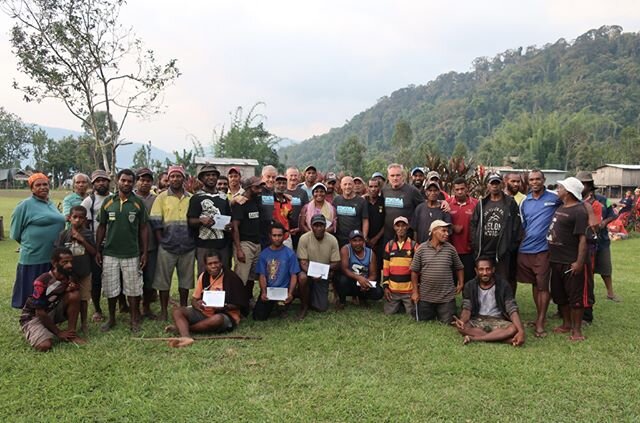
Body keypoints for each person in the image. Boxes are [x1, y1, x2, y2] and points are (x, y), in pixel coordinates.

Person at [96, 169, 148, 332]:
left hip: (131, 253)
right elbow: (102, 227)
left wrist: (144, 252)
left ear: (133, 183)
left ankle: (134, 320)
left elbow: (144, 229)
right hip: (110, 253)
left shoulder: (138, 203)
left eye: (129, 181)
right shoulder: (108, 202)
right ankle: (112, 318)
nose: (126, 183)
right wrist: (98, 250)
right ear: (117, 181)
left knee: (133, 289)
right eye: (123, 180)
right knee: (111, 288)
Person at [167, 251, 249, 347]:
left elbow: (240, 303)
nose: (213, 266)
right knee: (177, 311)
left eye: (216, 263)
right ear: (205, 265)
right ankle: (186, 337)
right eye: (210, 264)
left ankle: (184, 328)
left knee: (217, 319)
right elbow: (194, 299)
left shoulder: (232, 278)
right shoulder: (204, 276)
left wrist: (223, 307)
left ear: (221, 263)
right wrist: (197, 305)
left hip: (225, 314)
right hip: (205, 312)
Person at [10, 173, 66, 308]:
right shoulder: (24, 205)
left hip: (52, 257)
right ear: (32, 188)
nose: (42, 187)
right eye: (38, 185)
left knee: (49, 293)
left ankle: (47, 318)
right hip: (34, 257)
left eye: (45, 184)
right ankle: (29, 320)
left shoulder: (51, 204)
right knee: (33, 294)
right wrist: (31, 245)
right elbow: (15, 233)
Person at [517, 170, 562, 337]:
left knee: (543, 285)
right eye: (532, 179)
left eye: (538, 179)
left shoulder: (554, 198)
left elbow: (576, 203)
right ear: (528, 182)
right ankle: (538, 316)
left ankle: (541, 322)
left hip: (543, 250)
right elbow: (523, 225)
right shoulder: (524, 202)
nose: (535, 182)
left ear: (544, 180)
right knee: (535, 284)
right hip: (525, 250)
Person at [547, 177, 591, 342]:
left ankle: (577, 330)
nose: (558, 190)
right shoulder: (562, 206)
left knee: (575, 297)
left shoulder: (579, 211)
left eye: (560, 187)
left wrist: (579, 262)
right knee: (560, 295)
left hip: (570, 261)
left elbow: (583, 239)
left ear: (568, 191)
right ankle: (566, 324)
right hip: (556, 260)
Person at [150, 165, 195, 321]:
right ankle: (163, 311)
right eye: (172, 177)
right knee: (163, 281)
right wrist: (161, 241)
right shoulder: (161, 197)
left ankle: (183, 309)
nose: (175, 179)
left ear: (183, 178)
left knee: (185, 281)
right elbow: (155, 221)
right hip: (167, 247)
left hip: (188, 246)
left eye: (178, 176)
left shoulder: (191, 197)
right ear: (168, 179)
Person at [19, 248, 86, 351]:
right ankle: (32, 330)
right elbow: (39, 312)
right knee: (44, 346)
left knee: (74, 295)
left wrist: (70, 288)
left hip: (51, 310)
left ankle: (72, 334)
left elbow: (63, 293)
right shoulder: (42, 281)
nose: (70, 265)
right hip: (34, 316)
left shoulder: (69, 275)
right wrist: (58, 333)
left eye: (71, 261)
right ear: (54, 263)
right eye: (65, 262)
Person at [454, 258, 525, 346]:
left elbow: (512, 309)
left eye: (488, 269)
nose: (485, 273)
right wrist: (462, 320)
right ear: (476, 271)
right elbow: (467, 308)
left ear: (493, 270)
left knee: (514, 328)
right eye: (481, 269)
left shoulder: (504, 285)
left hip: (498, 319)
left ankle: (475, 339)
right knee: (462, 327)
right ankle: (504, 340)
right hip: (478, 319)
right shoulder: (469, 286)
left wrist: (521, 331)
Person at [470, 173, 521, 290]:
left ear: (502, 185)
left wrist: (510, 246)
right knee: (483, 279)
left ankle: (502, 306)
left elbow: (516, 226)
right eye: (492, 183)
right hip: (484, 250)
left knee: (502, 281)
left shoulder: (510, 203)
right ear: (487, 185)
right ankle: (483, 306)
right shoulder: (482, 203)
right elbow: (474, 224)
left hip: (502, 251)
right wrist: (475, 244)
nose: (494, 186)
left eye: (497, 183)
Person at [577, 171, 620, 302]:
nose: (582, 186)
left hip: (601, 240)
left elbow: (613, 214)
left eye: (584, 183)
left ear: (590, 185)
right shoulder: (575, 199)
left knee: (605, 267)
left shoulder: (602, 200)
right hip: (582, 241)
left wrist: (604, 223)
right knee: (584, 270)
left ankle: (610, 293)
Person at [410, 220, 464, 323]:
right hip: (426, 296)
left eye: (447, 231)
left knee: (448, 321)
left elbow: (459, 267)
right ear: (434, 231)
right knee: (421, 319)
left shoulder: (451, 249)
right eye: (443, 231)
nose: (447, 234)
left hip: (446, 297)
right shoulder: (421, 249)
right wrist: (415, 292)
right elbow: (414, 272)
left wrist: (461, 283)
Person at [54, 206, 96, 335]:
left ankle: (84, 324)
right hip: (67, 275)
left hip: (84, 273)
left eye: (81, 218)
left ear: (85, 220)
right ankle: (67, 322)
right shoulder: (64, 234)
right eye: (75, 217)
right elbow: (58, 253)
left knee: (83, 300)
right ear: (69, 218)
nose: (78, 220)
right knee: (68, 298)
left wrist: (82, 240)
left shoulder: (88, 234)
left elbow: (94, 252)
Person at [81, 169, 112, 321]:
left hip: (114, 244)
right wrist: (92, 247)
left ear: (109, 182)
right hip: (96, 245)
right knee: (96, 279)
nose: (101, 183)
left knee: (115, 276)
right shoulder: (89, 201)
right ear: (93, 184)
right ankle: (98, 309)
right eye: (97, 181)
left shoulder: (115, 198)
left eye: (104, 180)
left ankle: (122, 304)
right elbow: (84, 224)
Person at [188, 164, 232, 273]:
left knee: (224, 274)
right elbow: (190, 220)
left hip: (222, 243)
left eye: (213, 175)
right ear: (202, 178)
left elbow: (228, 218)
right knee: (205, 275)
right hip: (204, 244)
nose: (211, 177)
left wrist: (228, 226)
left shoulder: (223, 197)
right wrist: (201, 221)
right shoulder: (196, 198)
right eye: (207, 175)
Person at [296, 214, 341, 319]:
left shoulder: (332, 240)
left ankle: (309, 296)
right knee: (302, 278)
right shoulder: (304, 238)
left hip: (323, 275)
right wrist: (312, 273)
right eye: (316, 225)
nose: (319, 228)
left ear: (325, 226)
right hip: (308, 273)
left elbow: (336, 262)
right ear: (311, 226)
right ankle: (304, 306)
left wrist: (324, 271)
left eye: (321, 225)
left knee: (321, 308)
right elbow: (303, 262)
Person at [253, 223, 300, 320]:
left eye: (279, 235)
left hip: (284, 291)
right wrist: (264, 292)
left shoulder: (290, 254)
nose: (277, 238)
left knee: (281, 308)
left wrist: (290, 293)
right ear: (270, 236)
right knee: (258, 316)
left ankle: (282, 306)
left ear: (284, 236)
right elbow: (262, 275)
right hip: (270, 290)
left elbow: (293, 275)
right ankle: (274, 306)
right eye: (274, 235)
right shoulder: (264, 254)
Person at [232, 176, 264, 302]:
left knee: (251, 276)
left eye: (260, 187)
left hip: (256, 244)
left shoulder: (256, 201)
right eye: (256, 187)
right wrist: (239, 249)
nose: (260, 190)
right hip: (245, 244)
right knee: (241, 277)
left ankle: (247, 299)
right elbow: (235, 227)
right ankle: (236, 304)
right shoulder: (241, 203)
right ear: (248, 188)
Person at [134, 167, 159, 319]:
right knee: (134, 279)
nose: (145, 183)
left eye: (148, 180)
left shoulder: (156, 199)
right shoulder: (130, 198)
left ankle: (146, 307)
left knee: (149, 279)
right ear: (137, 182)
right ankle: (134, 308)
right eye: (142, 180)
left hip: (152, 246)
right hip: (132, 246)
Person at [336, 229, 383, 309]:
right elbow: (344, 269)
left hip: (364, 281)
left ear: (363, 241)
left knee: (379, 292)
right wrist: (359, 278)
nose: (357, 243)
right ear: (350, 241)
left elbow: (373, 274)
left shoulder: (371, 253)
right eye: (354, 241)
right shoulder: (345, 249)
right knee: (341, 280)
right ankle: (342, 301)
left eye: (360, 240)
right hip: (351, 281)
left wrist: (366, 283)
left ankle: (363, 298)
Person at [382, 217, 419, 315]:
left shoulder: (414, 245)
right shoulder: (389, 245)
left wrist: (416, 290)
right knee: (388, 313)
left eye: (403, 226)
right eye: (398, 226)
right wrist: (386, 286)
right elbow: (386, 267)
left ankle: (403, 304)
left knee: (412, 314)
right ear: (394, 227)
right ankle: (398, 304)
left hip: (408, 290)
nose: (400, 229)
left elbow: (418, 269)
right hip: (393, 290)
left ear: (407, 227)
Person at [381, 163, 424, 242]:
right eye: (392, 175)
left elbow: (424, 207)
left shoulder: (412, 191)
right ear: (388, 177)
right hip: (388, 236)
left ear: (403, 176)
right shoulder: (384, 191)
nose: (395, 178)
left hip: (407, 237)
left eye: (398, 175)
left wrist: (441, 202)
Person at [449, 177, 478, 284]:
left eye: (462, 188)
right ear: (453, 190)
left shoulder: (476, 204)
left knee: (469, 283)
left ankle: (468, 301)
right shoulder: (447, 203)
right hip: (451, 251)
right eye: (457, 189)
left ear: (467, 188)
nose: (460, 192)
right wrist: (452, 227)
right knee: (451, 283)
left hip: (469, 252)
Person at [333, 176, 369, 246]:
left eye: (349, 184)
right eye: (345, 184)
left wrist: (364, 238)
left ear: (353, 186)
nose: (347, 187)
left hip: (356, 238)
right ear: (341, 186)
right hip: (339, 238)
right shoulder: (336, 200)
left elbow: (365, 220)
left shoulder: (361, 201)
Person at [285, 167, 310, 249]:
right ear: (286, 176)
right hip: (284, 231)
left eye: (295, 175)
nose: (293, 178)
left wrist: (299, 228)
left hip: (299, 230)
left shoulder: (302, 193)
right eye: (291, 175)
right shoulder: (282, 191)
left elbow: (306, 212)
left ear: (299, 177)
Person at [366, 178, 385, 277]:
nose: (373, 189)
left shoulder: (384, 202)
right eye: (371, 186)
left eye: (375, 186)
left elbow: (386, 222)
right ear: (367, 188)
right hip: (365, 240)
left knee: (378, 267)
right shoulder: (363, 201)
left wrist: (376, 238)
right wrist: (367, 239)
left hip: (380, 241)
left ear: (379, 188)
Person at [272, 174, 294, 248]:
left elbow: (288, 219)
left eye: (284, 183)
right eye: (279, 183)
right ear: (274, 184)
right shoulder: (269, 199)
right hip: (273, 236)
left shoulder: (288, 201)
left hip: (286, 236)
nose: (281, 185)